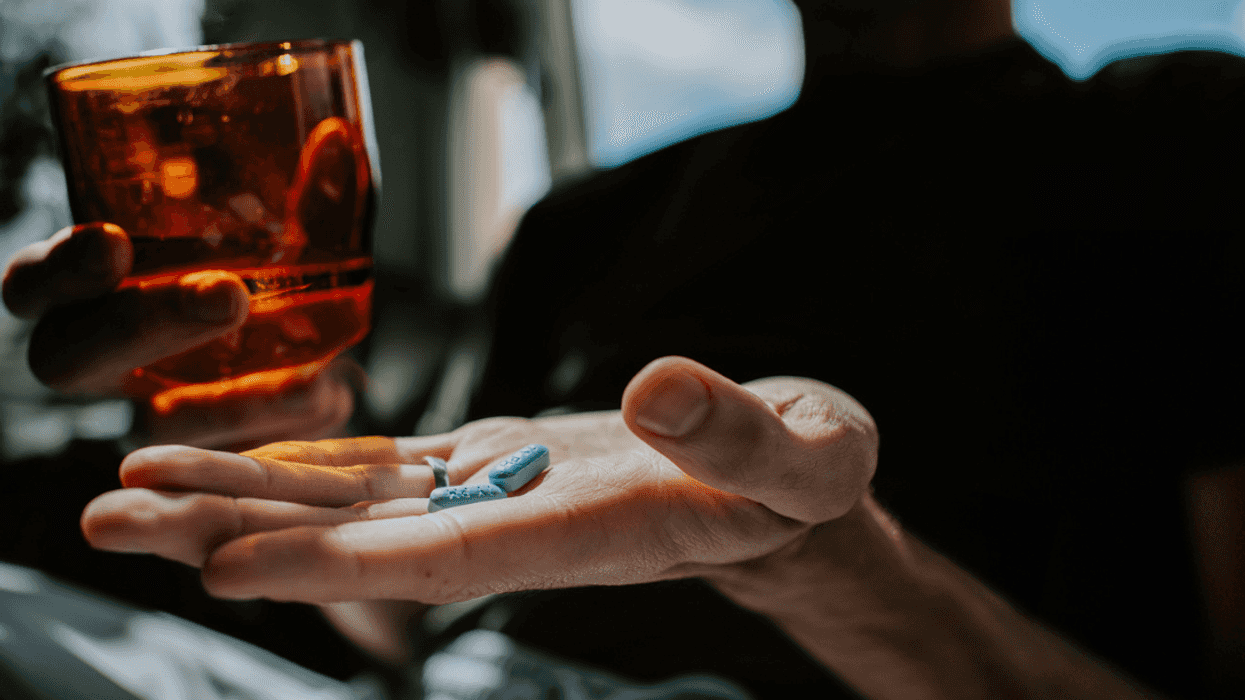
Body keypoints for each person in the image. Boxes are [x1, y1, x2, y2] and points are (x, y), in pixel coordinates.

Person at [4, 0, 1244, 698]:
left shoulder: (1178, 131)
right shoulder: (593, 217)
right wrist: (276, 448)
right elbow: (424, 610)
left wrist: (825, 562)